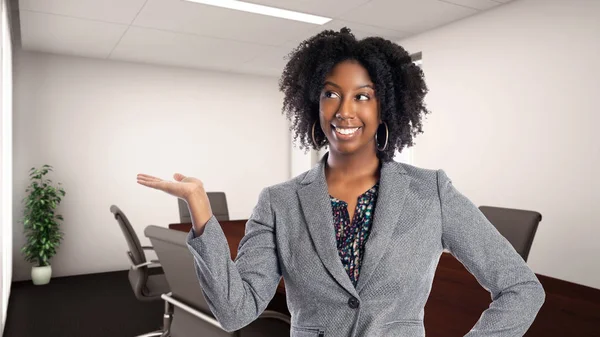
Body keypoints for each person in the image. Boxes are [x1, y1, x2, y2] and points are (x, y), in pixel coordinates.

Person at [137, 28, 545, 337]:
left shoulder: (431, 192)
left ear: (386, 105)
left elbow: (522, 288)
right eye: (331, 94)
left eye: (363, 96)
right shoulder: (278, 202)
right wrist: (200, 208)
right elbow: (235, 312)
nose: (344, 111)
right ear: (313, 103)